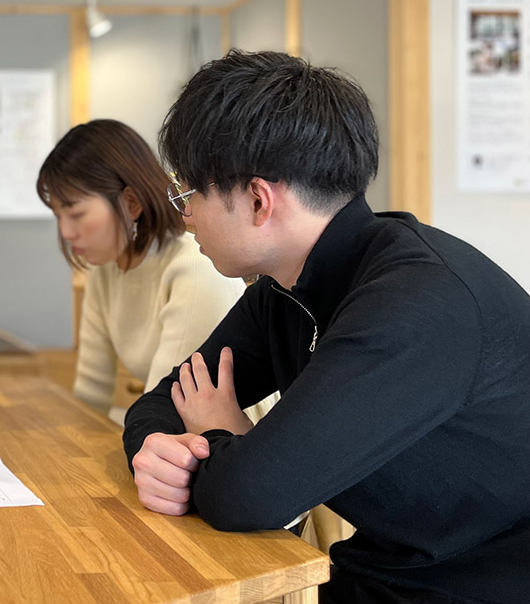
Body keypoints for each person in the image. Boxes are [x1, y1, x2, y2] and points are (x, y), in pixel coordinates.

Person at [124, 50, 530, 602]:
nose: (185, 214)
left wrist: (220, 434)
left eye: (190, 193)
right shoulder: (286, 289)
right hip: (384, 565)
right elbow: (163, 401)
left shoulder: (416, 303)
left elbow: (251, 496)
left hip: (477, 583)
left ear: (258, 200)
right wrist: (155, 449)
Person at [37, 119, 268, 424]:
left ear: (131, 203)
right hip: (168, 433)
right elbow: (91, 393)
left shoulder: (193, 268)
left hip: (234, 443)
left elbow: (164, 415)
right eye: (58, 217)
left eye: (76, 214)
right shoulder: (105, 271)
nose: (66, 232)